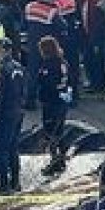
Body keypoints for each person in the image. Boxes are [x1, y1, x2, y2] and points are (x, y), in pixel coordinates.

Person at [22, 0, 68, 108]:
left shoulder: (30, 6)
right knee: (50, 72)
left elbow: (24, 24)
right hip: (48, 46)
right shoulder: (52, 12)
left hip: (32, 44)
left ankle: (29, 100)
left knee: (32, 72)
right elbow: (62, 28)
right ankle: (48, 97)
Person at [0, 39, 25, 194]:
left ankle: (4, 184)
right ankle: (16, 181)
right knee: (13, 147)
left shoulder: (2, 69)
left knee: (1, 149)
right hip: (18, 111)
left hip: (5, 113)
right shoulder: (18, 67)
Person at [36, 36, 71, 178]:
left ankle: (55, 161)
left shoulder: (49, 65)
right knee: (59, 130)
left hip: (51, 102)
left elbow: (46, 82)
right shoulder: (63, 62)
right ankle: (61, 159)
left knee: (51, 133)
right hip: (62, 100)